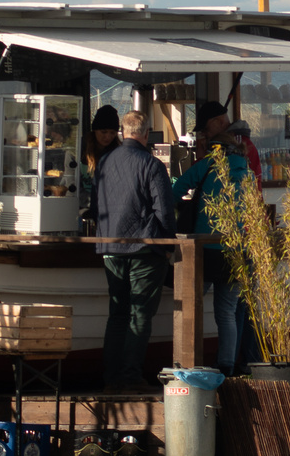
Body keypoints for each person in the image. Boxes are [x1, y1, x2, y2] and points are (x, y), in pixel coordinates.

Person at [90, 110, 174, 394]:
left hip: (110, 247)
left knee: (117, 314)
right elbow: (164, 210)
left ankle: (111, 378)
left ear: (122, 132)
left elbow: (94, 206)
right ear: (146, 133)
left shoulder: (103, 163)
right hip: (143, 248)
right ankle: (129, 377)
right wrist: (168, 246)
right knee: (139, 314)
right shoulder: (151, 164)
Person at [172, 100, 255, 374]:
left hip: (206, 248)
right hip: (238, 249)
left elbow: (176, 190)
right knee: (227, 311)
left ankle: (188, 363)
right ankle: (227, 366)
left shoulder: (207, 165)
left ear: (215, 148)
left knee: (191, 302)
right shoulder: (247, 172)